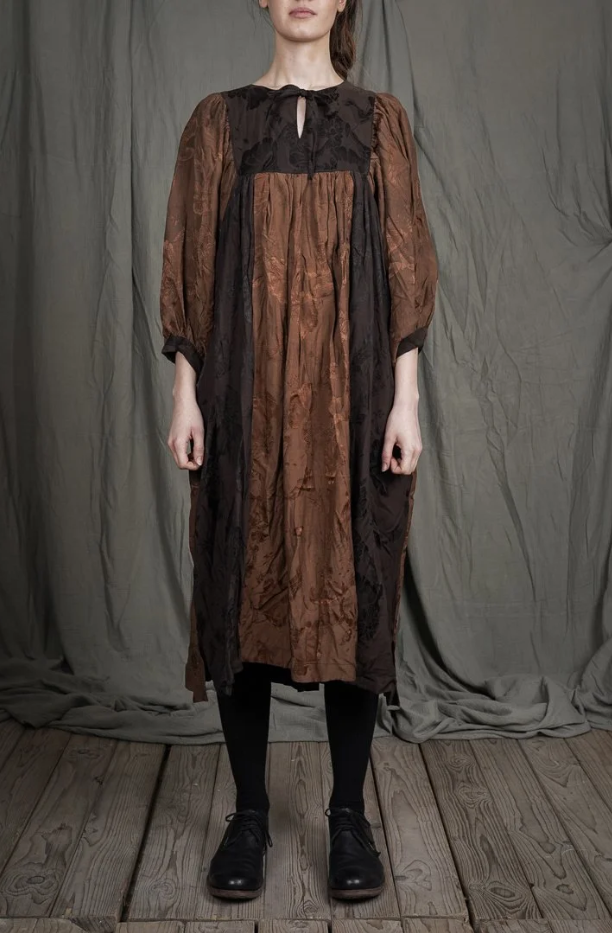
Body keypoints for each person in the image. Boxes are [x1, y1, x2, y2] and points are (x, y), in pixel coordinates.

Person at [159, 0, 438, 904]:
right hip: (242, 401)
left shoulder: (379, 122)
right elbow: (192, 261)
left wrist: (406, 403)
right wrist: (185, 394)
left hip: (355, 401)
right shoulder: (219, 122)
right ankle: (248, 814)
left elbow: (406, 265)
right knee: (240, 585)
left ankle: (348, 815)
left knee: (353, 584)